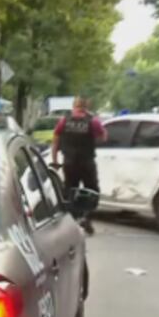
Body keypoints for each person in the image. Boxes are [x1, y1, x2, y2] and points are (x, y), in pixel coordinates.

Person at [51, 97, 106, 235]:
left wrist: (55, 160)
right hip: (86, 162)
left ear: (74, 106)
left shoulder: (64, 121)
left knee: (69, 191)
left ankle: (71, 219)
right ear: (86, 106)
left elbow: (56, 141)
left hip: (69, 163)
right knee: (92, 191)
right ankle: (87, 217)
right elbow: (103, 137)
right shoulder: (93, 121)